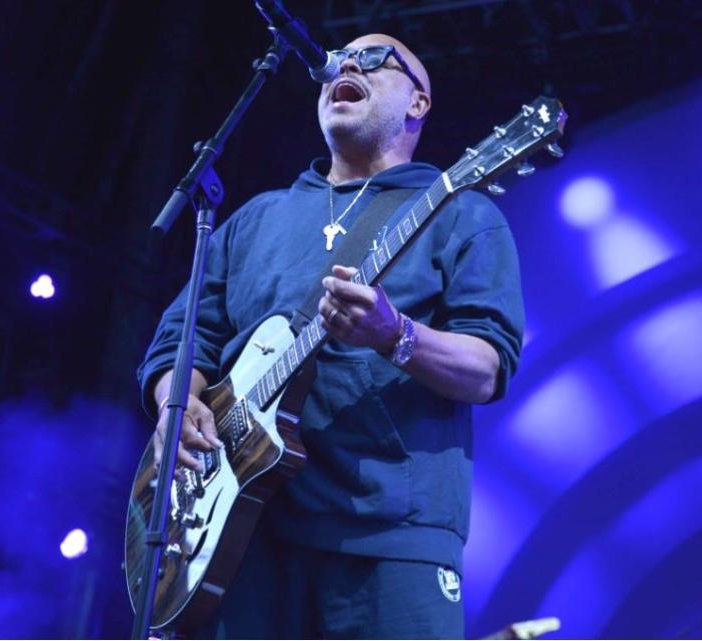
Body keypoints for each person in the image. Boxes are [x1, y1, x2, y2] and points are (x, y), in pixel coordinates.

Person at [138, 33, 524, 639]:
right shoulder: (256, 217)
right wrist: (175, 405)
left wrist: (395, 334)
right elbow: (182, 341)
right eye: (340, 59)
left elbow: (487, 367)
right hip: (242, 535)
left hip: (388, 533)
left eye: (373, 59)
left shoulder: (463, 214)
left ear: (418, 103)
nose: (346, 65)